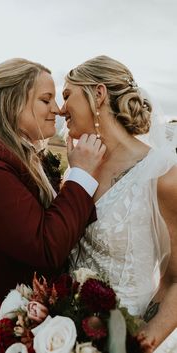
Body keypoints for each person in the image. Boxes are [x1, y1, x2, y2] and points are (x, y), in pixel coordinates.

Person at [0, 58, 106, 353]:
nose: (57, 109)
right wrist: (81, 175)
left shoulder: (16, 156)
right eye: (46, 99)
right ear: (14, 101)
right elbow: (44, 244)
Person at [61, 55, 177, 353]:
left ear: (98, 94)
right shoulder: (77, 167)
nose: (61, 110)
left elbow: (175, 279)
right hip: (65, 332)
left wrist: (138, 343)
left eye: (66, 95)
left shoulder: (163, 174)